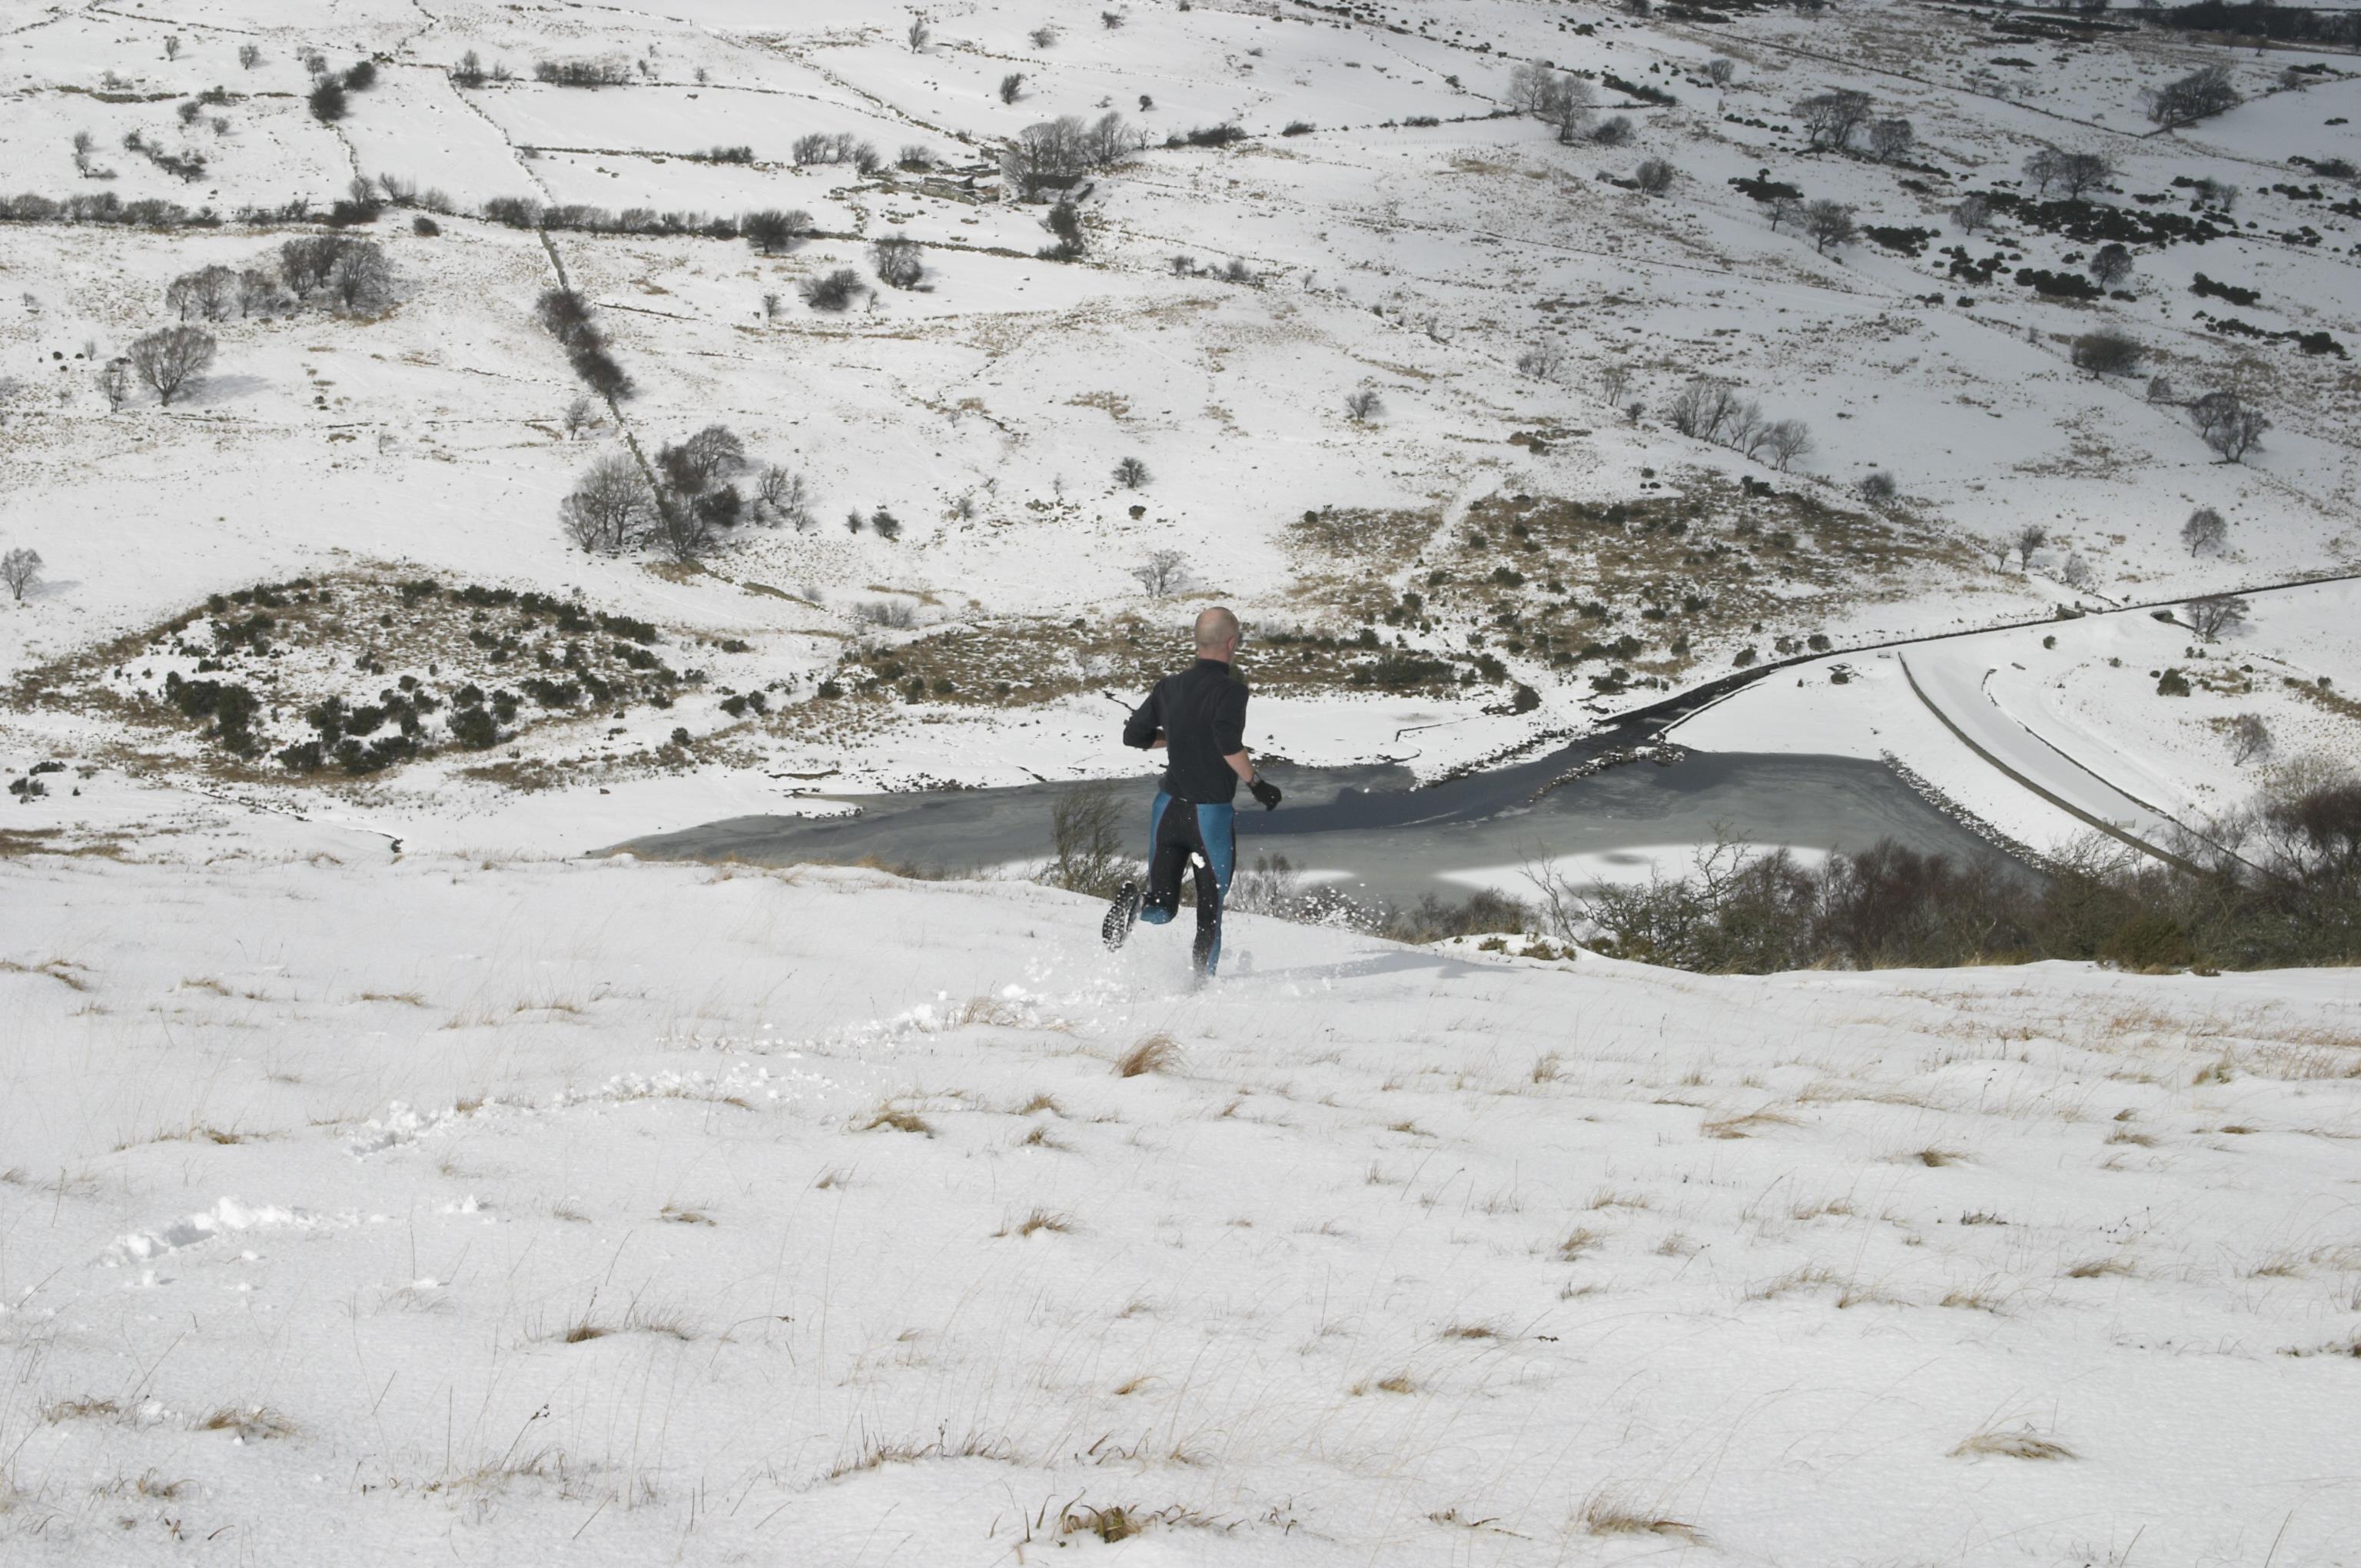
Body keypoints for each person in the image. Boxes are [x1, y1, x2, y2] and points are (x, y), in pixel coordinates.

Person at [1102, 606, 1282, 975]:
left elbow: (1133, 736)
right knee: (1209, 913)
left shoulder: (1168, 687)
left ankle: (1137, 904)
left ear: (1197, 642)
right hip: (1209, 816)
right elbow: (1226, 741)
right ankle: (1202, 989)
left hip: (1167, 809)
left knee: (1162, 907)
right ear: (1232, 643)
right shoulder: (1232, 690)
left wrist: (1178, 738)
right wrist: (1257, 784)